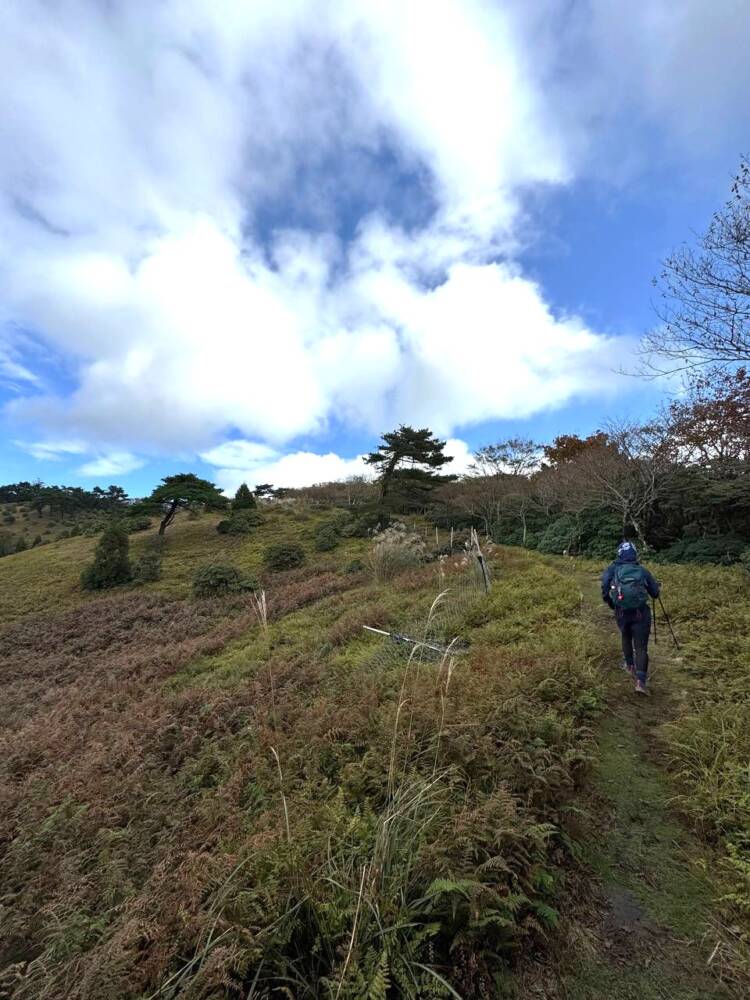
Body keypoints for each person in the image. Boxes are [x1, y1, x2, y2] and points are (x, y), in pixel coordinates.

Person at [601, 541, 660, 694]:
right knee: (641, 647)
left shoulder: (613, 569)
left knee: (626, 637)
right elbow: (655, 593)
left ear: (619, 553)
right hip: (641, 613)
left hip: (621, 611)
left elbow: (604, 588)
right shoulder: (642, 571)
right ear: (635, 554)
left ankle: (629, 665)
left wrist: (613, 604)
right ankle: (640, 682)